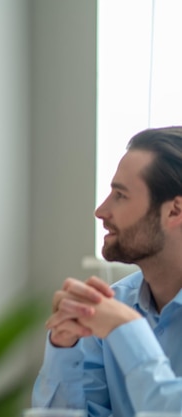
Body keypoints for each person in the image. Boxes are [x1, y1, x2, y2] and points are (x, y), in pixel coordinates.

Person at [32, 126, 182, 416]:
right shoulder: (114, 305)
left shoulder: (117, 319)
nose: (101, 211)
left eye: (120, 195)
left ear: (175, 211)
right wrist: (64, 346)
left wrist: (128, 332)